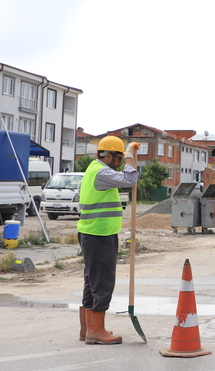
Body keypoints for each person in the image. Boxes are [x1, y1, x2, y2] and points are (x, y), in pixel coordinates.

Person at [77, 136, 139, 345]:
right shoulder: (101, 172)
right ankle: (95, 331)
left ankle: (88, 329)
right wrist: (131, 155)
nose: (120, 163)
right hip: (99, 235)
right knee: (102, 282)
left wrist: (128, 156)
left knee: (92, 281)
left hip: (93, 234)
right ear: (110, 155)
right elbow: (131, 180)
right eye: (119, 158)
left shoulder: (94, 169)